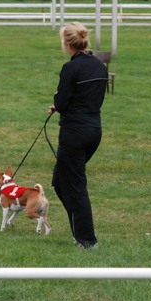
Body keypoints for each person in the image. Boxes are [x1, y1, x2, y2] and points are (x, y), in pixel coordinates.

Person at [47, 22, 108, 248]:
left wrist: (57, 102)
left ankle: (87, 240)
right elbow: (88, 97)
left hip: (74, 133)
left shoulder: (70, 68)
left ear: (66, 43)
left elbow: (62, 102)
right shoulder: (99, 66)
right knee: (61, 182)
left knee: (75, 185)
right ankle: (79, 232)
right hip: (94, 130)